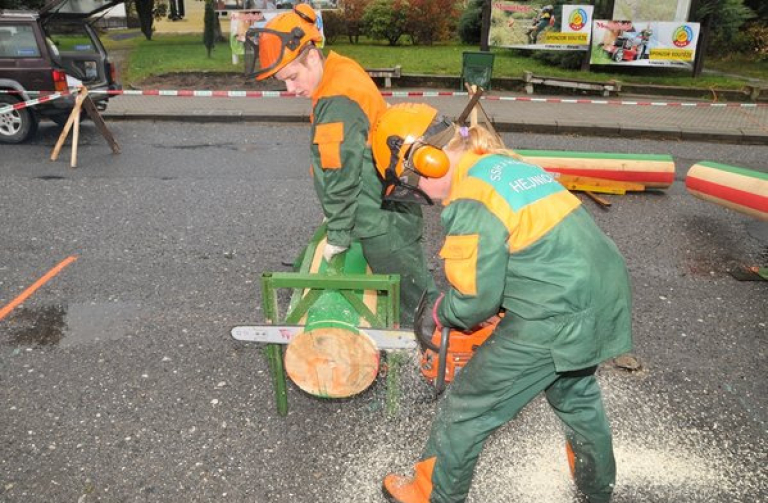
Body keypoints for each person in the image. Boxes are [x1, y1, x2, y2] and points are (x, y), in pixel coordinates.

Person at [371, 103, 633, 503]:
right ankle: (597, 489)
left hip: (555, 313)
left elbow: (475, 301)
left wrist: (445, 312)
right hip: (600, 292)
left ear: (428, 161)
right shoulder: (498, 163)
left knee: (466, 408)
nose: (421, 196)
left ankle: (429, 495)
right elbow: (529, 246)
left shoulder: (469, 198)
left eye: (413, 184)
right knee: (575, 395)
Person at [249, 5, 438, 325]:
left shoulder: (335, 101)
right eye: (283, 82)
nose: (290, 90)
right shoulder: (339, 69)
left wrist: (337, 233)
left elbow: (339, 174)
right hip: (388, 203)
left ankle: (430, 343)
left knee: (414, 298)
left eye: (292, 77)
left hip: (380, 219)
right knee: (410, 275)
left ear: (311, 56)